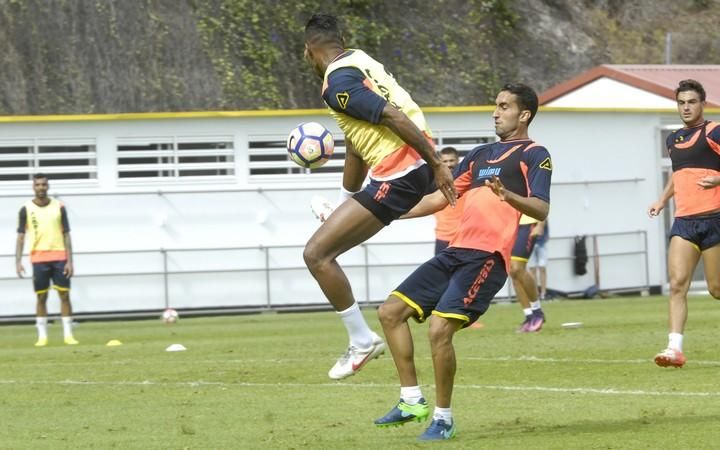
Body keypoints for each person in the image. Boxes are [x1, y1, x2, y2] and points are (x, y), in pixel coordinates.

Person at [374, 83, 551, 440]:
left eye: (504, 107)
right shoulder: (479, 155)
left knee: (440, 330)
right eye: (496, 106)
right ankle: (411, 399)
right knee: (389, 312)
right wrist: (381, 213)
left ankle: (443, 418)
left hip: (487, 258)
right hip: (456, 252)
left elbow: (541, 207)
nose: (495, 112)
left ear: (524, 114)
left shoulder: (535, 154)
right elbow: (440, 198)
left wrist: (508, 195)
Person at [302, 14, 456, 380]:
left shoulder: (336, 82)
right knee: (325, 250)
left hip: (401, 172)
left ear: (309, 50)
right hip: (409, 167)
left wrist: (438, 163)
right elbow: (357, 149)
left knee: (317, 255)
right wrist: (342, 206)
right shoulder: (361, 61)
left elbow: (391, 115)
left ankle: (361, 339)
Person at [648, 79, 720, 368]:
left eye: (691, 101)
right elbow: (679, 175)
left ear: (702, 103)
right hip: (684, 222)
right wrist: (662, 200)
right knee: (677, 284)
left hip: (715, 218)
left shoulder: (714, 131)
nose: (686, 107)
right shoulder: (673, 139)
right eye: (681, 102)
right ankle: (674, 348)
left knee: (716, 289)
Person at [15, 173, 78, 347]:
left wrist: (70, 261)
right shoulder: (26, 208)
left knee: (64, 295)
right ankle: (42, 336)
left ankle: (68, 335)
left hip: (59, 257)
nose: (41, 188)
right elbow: (20, 236)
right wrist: (18, 261)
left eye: (44, 185)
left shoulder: (59, 207)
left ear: (48, 186)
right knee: (41, 297)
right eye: (38, 185)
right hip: (39, 258)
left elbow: (66, 234)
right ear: (33, 187)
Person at [509, 215, 547, 332]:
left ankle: (537, 312)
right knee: (512, 271)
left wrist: (540, 224)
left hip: (528, 222)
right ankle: (529, 316)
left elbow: (541, 200)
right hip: (510, 224)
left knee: (517, 267)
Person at [433, 147, 466, 255]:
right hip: (443, 237)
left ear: (457, 160)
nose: (449, 164)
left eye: (451, 160)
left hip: (464, 237)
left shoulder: (467, 180)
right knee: (440, 272)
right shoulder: (434, 183)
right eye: (445, 161)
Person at [528, 219, 549, 300]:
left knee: (542, 268)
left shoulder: (542, 215)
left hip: (541, 244)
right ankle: (535, 294)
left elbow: (545, 227)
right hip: (530, 243)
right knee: (532, 269)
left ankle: (543, 293)